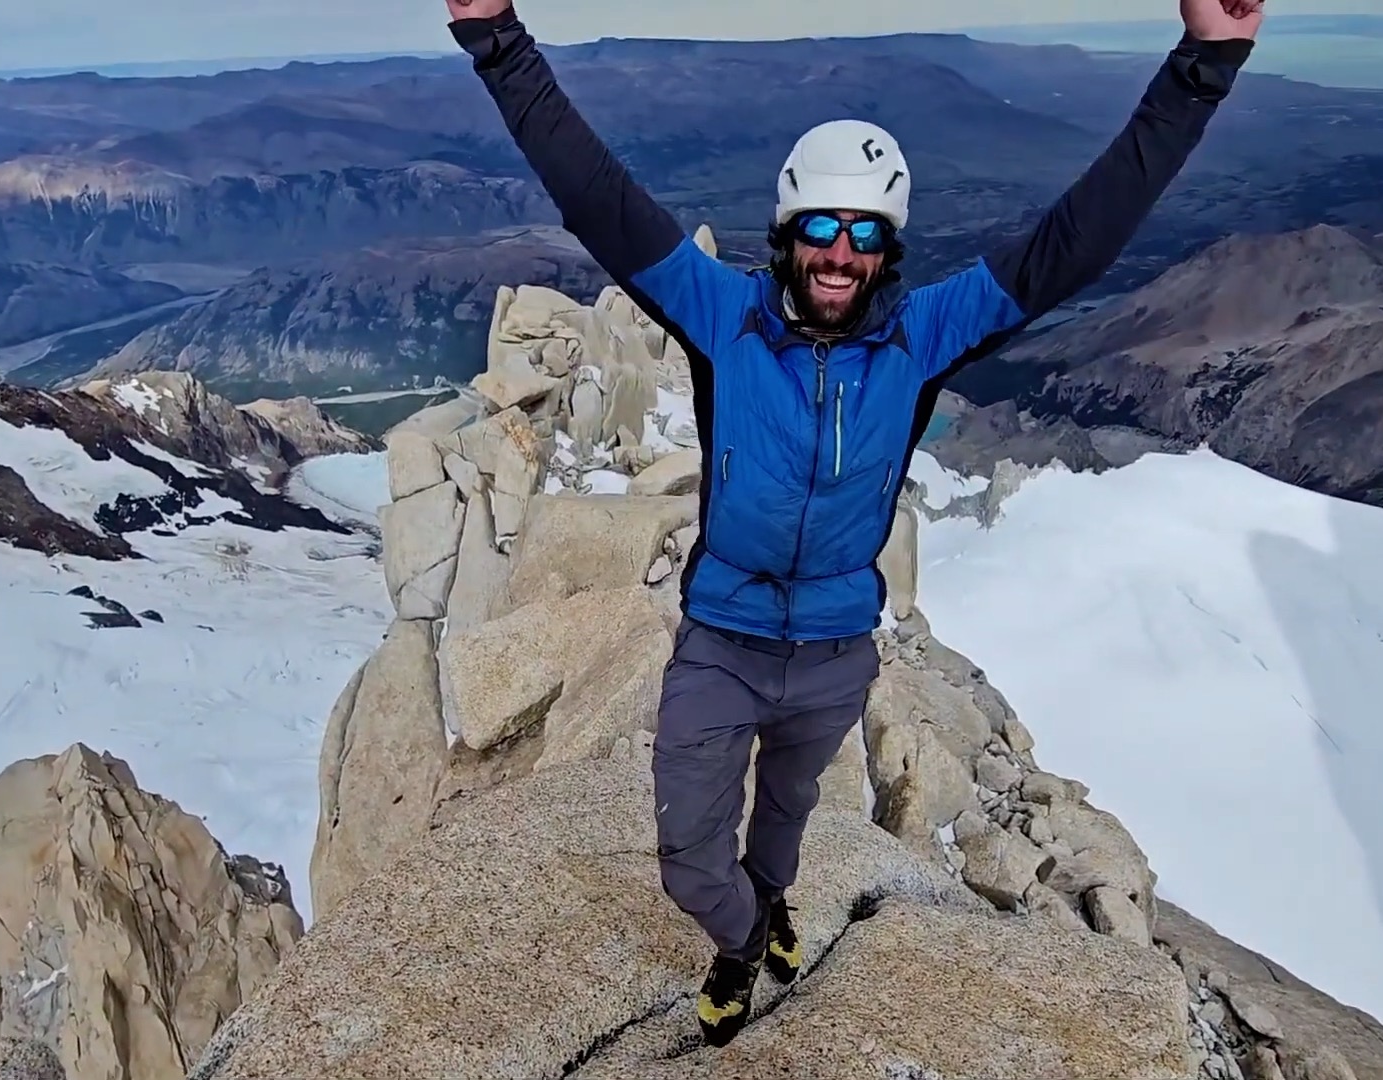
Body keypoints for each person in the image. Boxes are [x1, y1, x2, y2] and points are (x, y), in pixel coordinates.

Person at [442, 0, 1265, 1048]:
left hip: (834, 650)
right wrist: (495, 34)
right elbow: (593, 191)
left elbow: (1077, 239)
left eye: (864, 233)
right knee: (694, 858)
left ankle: (769, 909)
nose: (839, 252)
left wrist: (1205, 63)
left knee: (782, 825)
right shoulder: (719, 317)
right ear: (786, 236)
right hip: (724, 641)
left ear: (888, 248)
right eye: (820, 230)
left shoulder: (923, 339)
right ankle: (743, 939)